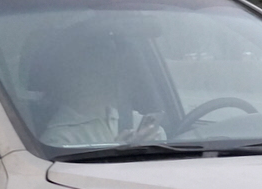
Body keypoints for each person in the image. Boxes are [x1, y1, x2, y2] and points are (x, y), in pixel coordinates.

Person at [29, 28, 165, 147]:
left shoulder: (133, 119)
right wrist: (114, 154)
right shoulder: (58, 138)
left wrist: (155, 141)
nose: (110, 77)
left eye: (112, 68)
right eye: (97, 70)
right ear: (71, 76)